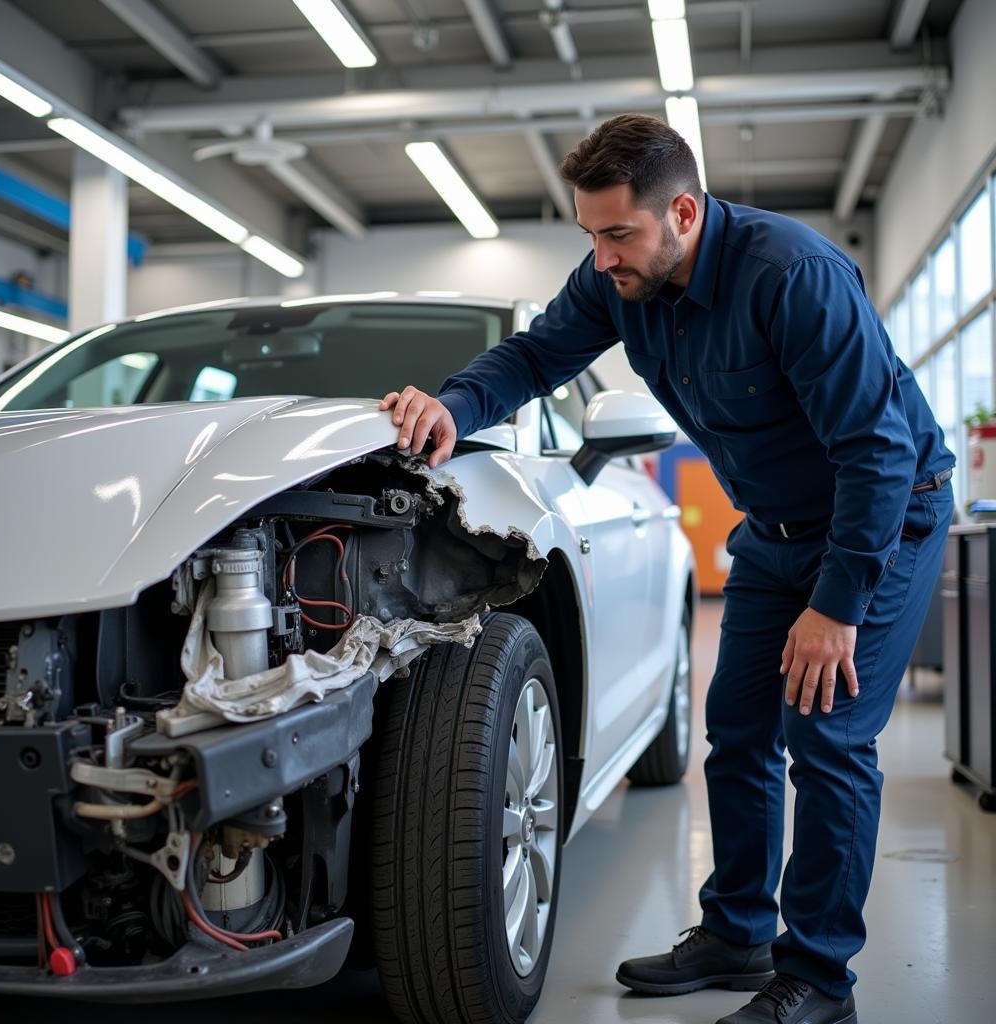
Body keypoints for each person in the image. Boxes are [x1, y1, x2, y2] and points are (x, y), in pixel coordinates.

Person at [379, 113, 954, 1024]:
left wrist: (838, 605)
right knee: (737, 728)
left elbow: (878, 456)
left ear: (682, 212)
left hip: (886, 516)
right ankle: (736, 933)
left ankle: (820, 981)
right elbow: (536, 353)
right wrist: (454, 406)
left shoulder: (793, 277)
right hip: (774, 525)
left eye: (618, 233)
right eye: (590, 234)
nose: (601, 255)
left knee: (830, 739)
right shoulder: (618, 278)